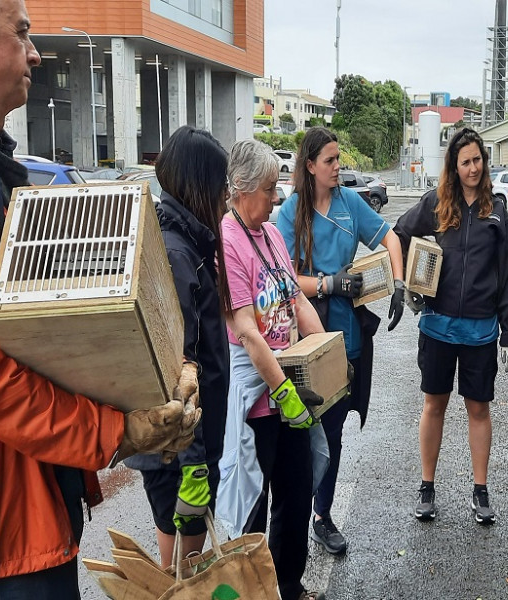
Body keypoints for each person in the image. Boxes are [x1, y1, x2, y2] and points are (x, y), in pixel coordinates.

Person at [0, 1, 197, 596]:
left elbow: (46, 334)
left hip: (26, 490)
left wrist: (152, 384)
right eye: (24, 33)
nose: (35, 53)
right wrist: (120, 432)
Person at [276, 126, 405, 555]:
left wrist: (400, 282)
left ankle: (322, 513)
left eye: (339, 160)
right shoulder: (291, 212)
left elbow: (388, 236)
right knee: (305, 431)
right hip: (310, 339)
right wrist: (329, 283)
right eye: (329, 161)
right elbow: (282, 278)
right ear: (309, 166)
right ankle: (298, 510)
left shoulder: (351, 202)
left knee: (333, 432)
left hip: (349, 337)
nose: (337, 167)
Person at [217, 139, 328, 600]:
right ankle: (255, 594)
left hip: (289, 388)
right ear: (241, 189)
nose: (274, 198)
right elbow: (245, 329)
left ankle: (290, 585)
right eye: (267, 190)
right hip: (258, 399)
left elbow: (296, 298)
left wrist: (325, 357)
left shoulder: (271, 234)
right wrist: (282, 391)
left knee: (296, 494)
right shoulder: (227, 239)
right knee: (253, 508)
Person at [393, 127, 508, 526]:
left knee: (478, 409)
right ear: (453, 165)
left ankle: (480, 490)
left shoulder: (497, 210)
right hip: (436, 327)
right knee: (435, 404)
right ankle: (427, 486)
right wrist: (409, 281)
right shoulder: (435, 203)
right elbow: (398, 233)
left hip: (481, 331)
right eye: (465, 162)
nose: (473, 168)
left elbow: (506, 274)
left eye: (477, 159)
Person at [123, 126, 230, 567]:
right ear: (200, 184)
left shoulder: (183, 240)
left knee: (178, 558)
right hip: (181, 452)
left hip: (185, 448)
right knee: (182, 573)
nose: (226, 193)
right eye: (221, 183)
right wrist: (194, 462)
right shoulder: (178, 253)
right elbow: (179, 371)